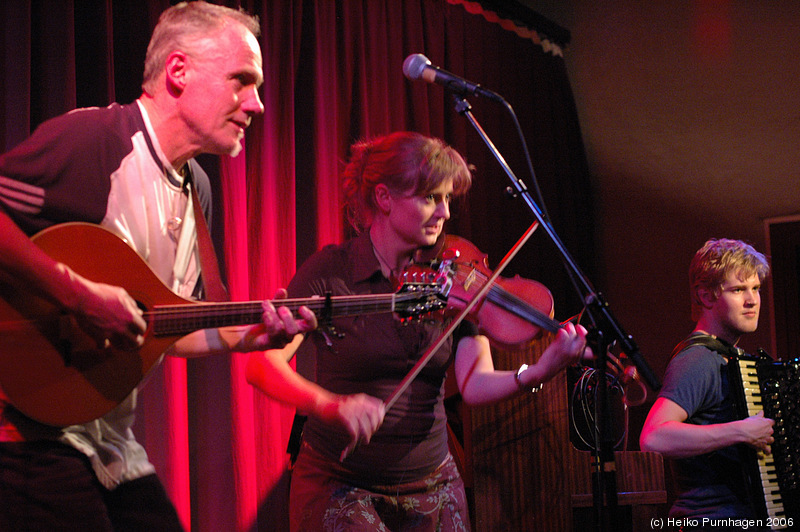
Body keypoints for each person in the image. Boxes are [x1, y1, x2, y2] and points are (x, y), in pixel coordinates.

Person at [0, 2, 316, 530]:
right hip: (23, 434)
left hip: (108, 443)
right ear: (178, 71)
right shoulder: (95, 142)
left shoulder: (198, 190)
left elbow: (167, 327)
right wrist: (77, 297)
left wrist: (246, 337)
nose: (257, 105)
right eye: (242, 81)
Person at [245, 131, 590, 531]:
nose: (444, 212)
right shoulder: (332, 272)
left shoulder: (452, 275)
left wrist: (538, 372)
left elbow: (474, 383)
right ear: (384, 198)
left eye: (446, 199)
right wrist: (328, 404)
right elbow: (261, 365)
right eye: (430, 198)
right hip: (340, 484)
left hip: (434, 483)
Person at [639, 238, 775, 528]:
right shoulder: (699, 359)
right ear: (706, 296)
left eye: (756, 288)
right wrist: (740, 431)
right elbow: (653, 436)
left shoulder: (730, 358)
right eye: (739, 290)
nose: (752, 300)